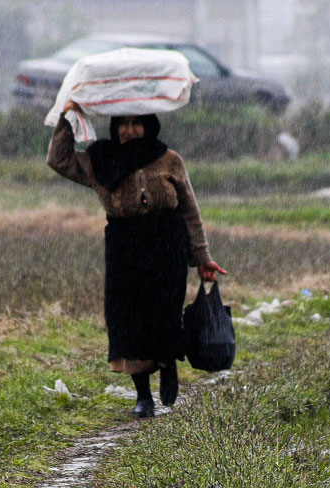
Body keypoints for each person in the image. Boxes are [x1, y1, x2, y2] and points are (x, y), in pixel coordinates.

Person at [47, 101, 226, 418]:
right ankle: (143, 395)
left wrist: (203, 257)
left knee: (164, 315)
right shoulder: (99, 160)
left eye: (136, 123)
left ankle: (168, 364)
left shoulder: (169, 160)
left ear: (149, 124)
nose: (129, 130)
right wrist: (68, 118)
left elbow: (190, 211)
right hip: (124, 249)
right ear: (114, 127)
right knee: (127, 320)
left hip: (166, 246)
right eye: (123, 124)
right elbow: (58, 159)